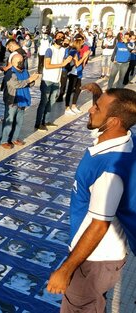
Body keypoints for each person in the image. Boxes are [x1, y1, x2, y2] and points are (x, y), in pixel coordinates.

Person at [47, 85, 136, 312]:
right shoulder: (124, 137)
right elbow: (109, 114)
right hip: (104, 258)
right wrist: (99, 94)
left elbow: (99, 226)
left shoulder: (109, 171)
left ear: (114, 121)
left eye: (96, 107)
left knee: (80, 306)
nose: (90, 109)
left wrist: (66, 270)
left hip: (94, 261)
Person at [0, 53, 40, 149]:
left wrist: (33, 80)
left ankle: (15, 138)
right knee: (9, 121)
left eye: (23, 60)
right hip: (12, 101)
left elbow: (29, 84)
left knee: (19, 121)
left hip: (23, 100)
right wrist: (29, 80)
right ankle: (4, 140)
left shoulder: (25, 71)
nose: (22, 63)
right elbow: (15, 85)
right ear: (13, 63)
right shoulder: (10, 73)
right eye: (20, 61)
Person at [34, 32, 72, 131]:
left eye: (62, 37)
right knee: (44, 102)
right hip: (47, 79)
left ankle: (46, 121)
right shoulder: (50, 50)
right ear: (55, 38)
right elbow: (47, 65)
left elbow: (65, 62)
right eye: (58, 37)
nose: (60, 38)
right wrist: (62, 64)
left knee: (51, 102)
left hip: (56, 80)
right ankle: (38, 123)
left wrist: (67, 61)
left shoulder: (63, 50)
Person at [64, 36, 90, 115]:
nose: (82, 45)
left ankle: (74, 106)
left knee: (78, 89)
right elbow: (77, 63)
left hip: (78, 73)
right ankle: (67, 107)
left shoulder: (77, 52)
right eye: (81, 44)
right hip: (72, 73)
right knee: (70, 90)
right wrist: (84, 56)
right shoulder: (73, 51)